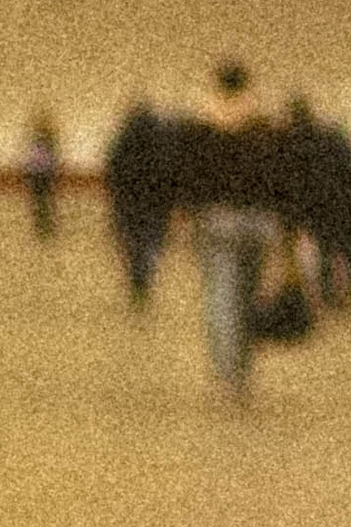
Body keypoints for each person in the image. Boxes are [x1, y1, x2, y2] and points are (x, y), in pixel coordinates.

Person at [164, 59, 278, 401]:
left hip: (214, 220)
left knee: (221, 297)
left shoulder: (198, 125)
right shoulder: (263, 125)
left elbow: (184, 175)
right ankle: (243, 369)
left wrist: (182, 214)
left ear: (216, 83)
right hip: (258, 221)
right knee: (247, 295)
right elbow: (281, 177)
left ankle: (226, 372)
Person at [100, 99, 173, 308]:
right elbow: (169, 174)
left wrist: (115, 196)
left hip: (127, 203)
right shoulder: (161, 145)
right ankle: (145, 275)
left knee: (132, 243)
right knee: (151, 241)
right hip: (155, 204)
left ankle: (137, 277)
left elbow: (112, 171)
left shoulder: (121, 142)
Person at [19, 110, 61, 240]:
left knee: (43, 201)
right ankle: (43, 226)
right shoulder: (45, 142)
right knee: (42, 201)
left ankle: (45, 226)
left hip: (41, 174)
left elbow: (44, 159)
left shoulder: (44, 142)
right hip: (41, 174)